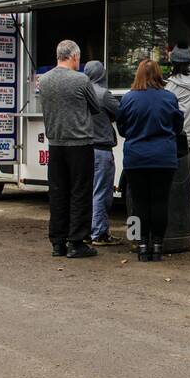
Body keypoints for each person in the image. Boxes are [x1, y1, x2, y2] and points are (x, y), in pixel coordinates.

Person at [116, 58, 182, 262]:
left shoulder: (128, 98)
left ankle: (142, 245)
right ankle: (158, 246)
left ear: (138, 75)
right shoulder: (169, 98)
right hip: (164, 158)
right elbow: (177, 126)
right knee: (161, 202)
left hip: (136, 158)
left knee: (139, 202)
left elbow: (122, 127)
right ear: (159, 75)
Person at [40, 40, 100, 259]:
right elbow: (95, 107)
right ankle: (77, 242)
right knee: (80, 192)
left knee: (57, 192)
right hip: (80, 144)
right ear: (74, 57)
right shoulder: (81, 80)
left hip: (55, 143)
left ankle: (57, 242)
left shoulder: (44, 81)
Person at [82, 60, 121, 246]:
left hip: (84, 148)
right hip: (102, 149)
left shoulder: (80, 92)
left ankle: (86, 231)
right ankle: (99, 233)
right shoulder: (103, 94)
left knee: (86, 192)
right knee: (101, 193)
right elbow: (121, 112)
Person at [166, 43, 190, 155]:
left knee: (174, 172)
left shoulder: (173, 85)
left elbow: (163, 109)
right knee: (186, 171)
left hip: (175, 138)